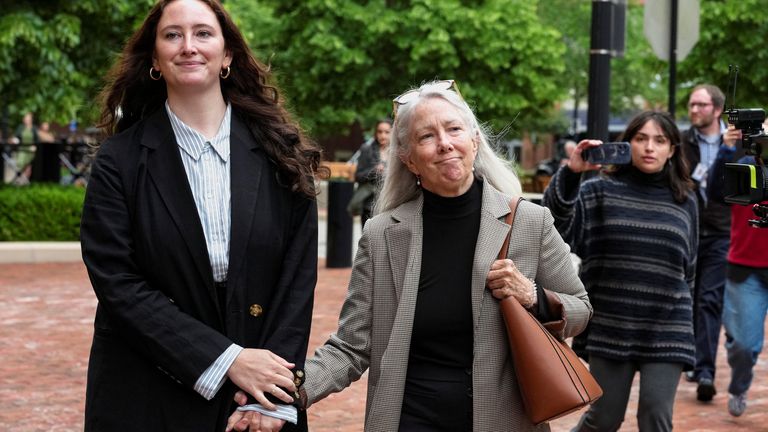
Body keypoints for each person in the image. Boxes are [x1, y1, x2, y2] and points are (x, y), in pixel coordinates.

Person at [228, 79, 592, 432]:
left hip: (504, 420)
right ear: (409, 160)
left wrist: (533, 296)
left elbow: (581, 310)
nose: (445, 144)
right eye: (427, 136)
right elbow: (352, 345)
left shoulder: (530, 221)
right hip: (410, 419)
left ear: (474, 140)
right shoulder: (383, 234)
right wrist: (287, 396)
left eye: (454, 130)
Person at [79, 0, 323, 430]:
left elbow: (296, 279)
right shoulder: (118, 161)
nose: (188, 46)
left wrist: (272, 394)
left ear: (226, 54)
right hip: (147, 390)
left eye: (203, 33)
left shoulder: (281, 154)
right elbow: (118, 283)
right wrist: (227, 360)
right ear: (155, 59)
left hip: (256, 400)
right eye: (173, 35)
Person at [543, 111, 698, 432]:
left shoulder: (686, 199)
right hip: (612, 322)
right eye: (640, 139)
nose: (649, 148)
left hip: (667, 325)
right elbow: (556, 228)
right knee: (604, 419)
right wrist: (572, 173)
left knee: (656, 418)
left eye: (660, 140)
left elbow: (690, 266)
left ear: (673, 149)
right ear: (627, 144)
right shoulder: (599, 190)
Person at [681, 84, 744, 401]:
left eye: (701, 105)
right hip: (688, 230)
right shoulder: (682, 141)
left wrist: (731, 150)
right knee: (688, 297)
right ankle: (690, 359)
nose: (694, 110)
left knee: (709, 299)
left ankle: (705, 370)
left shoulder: (737, 141)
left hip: (720, 231)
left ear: (717, 109)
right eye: (692, 105)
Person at [707, 136, 768, 416]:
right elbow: (716, 191)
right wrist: (726, 149)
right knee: (744, 345)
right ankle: (739, 386)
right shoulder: (745, 165)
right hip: (746, 269)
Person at [348, 118, 392, 228]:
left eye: (387, 132)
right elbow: (358, 176)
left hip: (390, 205)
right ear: (375, 133)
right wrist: (374, 170)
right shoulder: (367, 149)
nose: (383, 135)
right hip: (369, 205)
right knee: (368, 241)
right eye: (380, 131)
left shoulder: (397, 152)